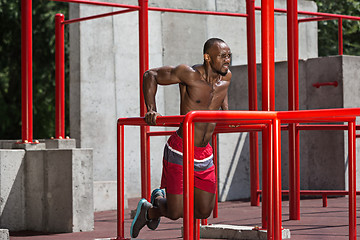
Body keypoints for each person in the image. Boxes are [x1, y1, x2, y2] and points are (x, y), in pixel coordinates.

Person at [130, 38, 232, 238]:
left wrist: (229, 116)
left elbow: (220, 98)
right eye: (222, 55)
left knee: (204, 212)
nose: (227, 59)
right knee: (176, 212)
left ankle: (149, 211)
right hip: (181, 149)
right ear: (207, 57)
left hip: (204, 153)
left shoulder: (226, 77)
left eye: (229, 55)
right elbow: (150, 75)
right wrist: (152, 110)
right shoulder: (190, 74)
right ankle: (155, 203)